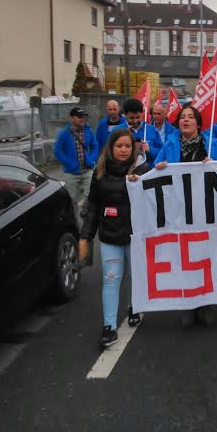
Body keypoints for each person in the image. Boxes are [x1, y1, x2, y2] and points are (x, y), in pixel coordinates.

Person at [154, 104, 217, 327]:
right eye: (182, 117)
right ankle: (188, 304)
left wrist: (216, 165)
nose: (185, 120)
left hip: (206, 209)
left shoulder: (212, 144)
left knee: (205, 256)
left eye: (190, 117)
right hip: (179, 210)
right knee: (183, 256)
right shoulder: (170, 144)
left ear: (198, 123)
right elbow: (153, 167)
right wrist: (159, 166)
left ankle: (206, 303)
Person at [79, 129, 150, 349]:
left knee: (135, 276)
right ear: (111, 148)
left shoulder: (142, 170)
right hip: (109, 237)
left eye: (127, 146)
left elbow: (157, 199)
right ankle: (109, 327)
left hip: (134, 236)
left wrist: (147, 178)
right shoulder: (99, 173)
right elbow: (92, 207)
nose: (123, 150)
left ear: (133, 148)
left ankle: (134, 307)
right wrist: (86, 237)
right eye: (119, 146)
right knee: (111, 280)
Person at [53, 107, 99, 218]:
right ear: (72, 118)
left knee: (91, 194)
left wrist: (92, 159)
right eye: (79, 117)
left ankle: (85, 212)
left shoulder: (88, 130)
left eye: (83, 116)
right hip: (71, 172)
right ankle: (73, 219)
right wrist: (68, 162)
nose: (82, 119)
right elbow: (58, 151)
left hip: (88, 169)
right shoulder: (64, 133)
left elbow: (95, 145)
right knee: (72, 198)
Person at [123, 98, 163, 168]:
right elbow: (111, 152)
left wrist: (150, 149)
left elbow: (162, 153)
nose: (135, 121)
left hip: (148, 173)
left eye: (138, 117)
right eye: (131, 118)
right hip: (125, 173)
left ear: (142, 114)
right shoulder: (118, 130)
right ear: (125, 115)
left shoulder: (152, 130)